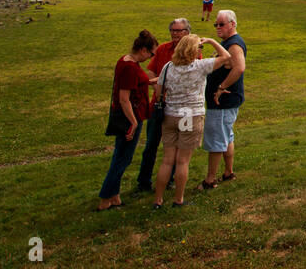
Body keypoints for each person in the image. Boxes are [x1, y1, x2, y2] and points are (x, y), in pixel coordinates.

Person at [152, 33, 230, 209]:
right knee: (182, 161)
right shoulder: (199, 66)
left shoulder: (168, 67)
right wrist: (211, 41)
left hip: (170, 114)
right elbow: (226, 57)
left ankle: (158, 199)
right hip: (188, 114)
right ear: (194, 50)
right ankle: (178, 199)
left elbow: (158, 92)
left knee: (167, 160)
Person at [97, 30, 158, 211]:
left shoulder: (126, 60)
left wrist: (150, 81)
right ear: (144, 50)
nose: (151, 57)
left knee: (121, 155)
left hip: (132, 116)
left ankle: (115, 197)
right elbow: (124, 98)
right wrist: (133, 123)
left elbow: (135, 83)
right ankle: (105, 198)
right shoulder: (130, 67)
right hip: (130, 118)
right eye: (151, 54)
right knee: (122, 158)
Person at [136, 17, 190, 193]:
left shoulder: (192, 51)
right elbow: (151, 69)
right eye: (173, 30)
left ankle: (171, 179)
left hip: (181, 108)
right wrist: (158, 86)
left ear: (187, 32)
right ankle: (143, 181)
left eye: (179, 31)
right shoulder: (162, 49)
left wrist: (163, 82)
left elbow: (187, 77)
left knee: (178, 146)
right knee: (151, 145)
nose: (175, 34)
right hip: (158, 105)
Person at [202, 9, 247, 190]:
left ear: (232, 24)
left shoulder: (234, 44)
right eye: (216, 24)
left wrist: (221, 88)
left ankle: (210, 180)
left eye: (221, 24)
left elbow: (239, 68)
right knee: (226, 136)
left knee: (216, 140)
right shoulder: (227, 43)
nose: (218, 27)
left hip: (223, 102)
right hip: (225, 102)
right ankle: (228, 172)